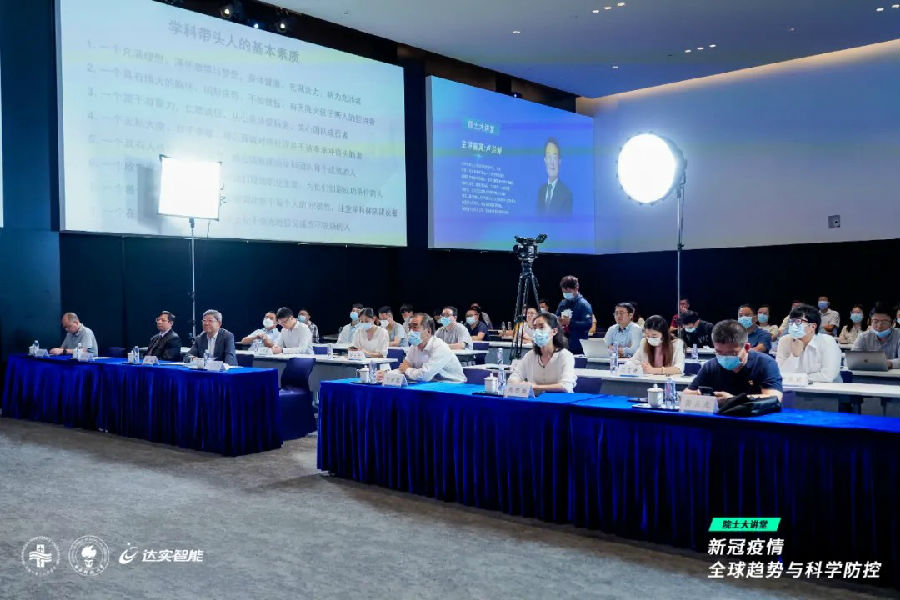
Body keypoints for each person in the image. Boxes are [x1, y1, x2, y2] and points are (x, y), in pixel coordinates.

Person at [684, 319, 783, 403]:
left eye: (732, 353)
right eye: (719, 352)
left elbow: (775, 397)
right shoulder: (711, 367)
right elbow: (687, 393)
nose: (725, 357)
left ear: (746, 347)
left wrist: (733, 400)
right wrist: (702, 395)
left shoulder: (764, 363)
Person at [378, 313, 465, 383]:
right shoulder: (414, 346)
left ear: (428, 331)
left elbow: (425, 375)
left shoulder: (439, 346)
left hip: (452, 385)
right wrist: (387, 374)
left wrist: (407, 369)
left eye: (415, 327)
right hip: (431, 384)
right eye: (409, 327)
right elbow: (403, 368)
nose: (410, 331)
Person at [508, 312, 577, 392]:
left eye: (541, 327)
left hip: (560, 399)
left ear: (554, 331)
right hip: (535, 399)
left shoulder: (565, 356)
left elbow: (565, 386)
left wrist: (535, 387)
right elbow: (513, 378)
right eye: (535, 328)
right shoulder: (530, 356)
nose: (537, 331)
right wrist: (519, 384)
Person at [776, 304, 842, 383]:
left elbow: (827, 376)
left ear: (813, 326)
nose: (793, 326)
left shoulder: (827, 341)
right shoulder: (784, 341)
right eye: (791, 322)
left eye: (798, 322)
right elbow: (780, 374)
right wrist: (794, 356)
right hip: (795, 388)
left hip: (827, 389)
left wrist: (798, 377)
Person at [851, 302, 900, 369]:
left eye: (884, 322)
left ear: (893, 323)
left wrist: (889, 363)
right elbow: (851, 359)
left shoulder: (898, 335)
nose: (879, 326)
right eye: (875, 321)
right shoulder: (863, 337)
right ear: (870, 321)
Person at [555, 275, 593, 355]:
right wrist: (558, 321)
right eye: (564, 292)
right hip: (563, 345)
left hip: (578, 346)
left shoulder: (584, 305)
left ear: (576, 289)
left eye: (568, 292)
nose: (566, 294)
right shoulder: (562, 303)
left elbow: (588, 324)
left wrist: (570, 322)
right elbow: (556, 318)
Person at [536, 137, 572, 215]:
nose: (552, 162)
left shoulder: (566, 194)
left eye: (555, 158)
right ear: (545, 161)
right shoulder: (541, 191)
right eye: (549, 157)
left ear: (559, 161)